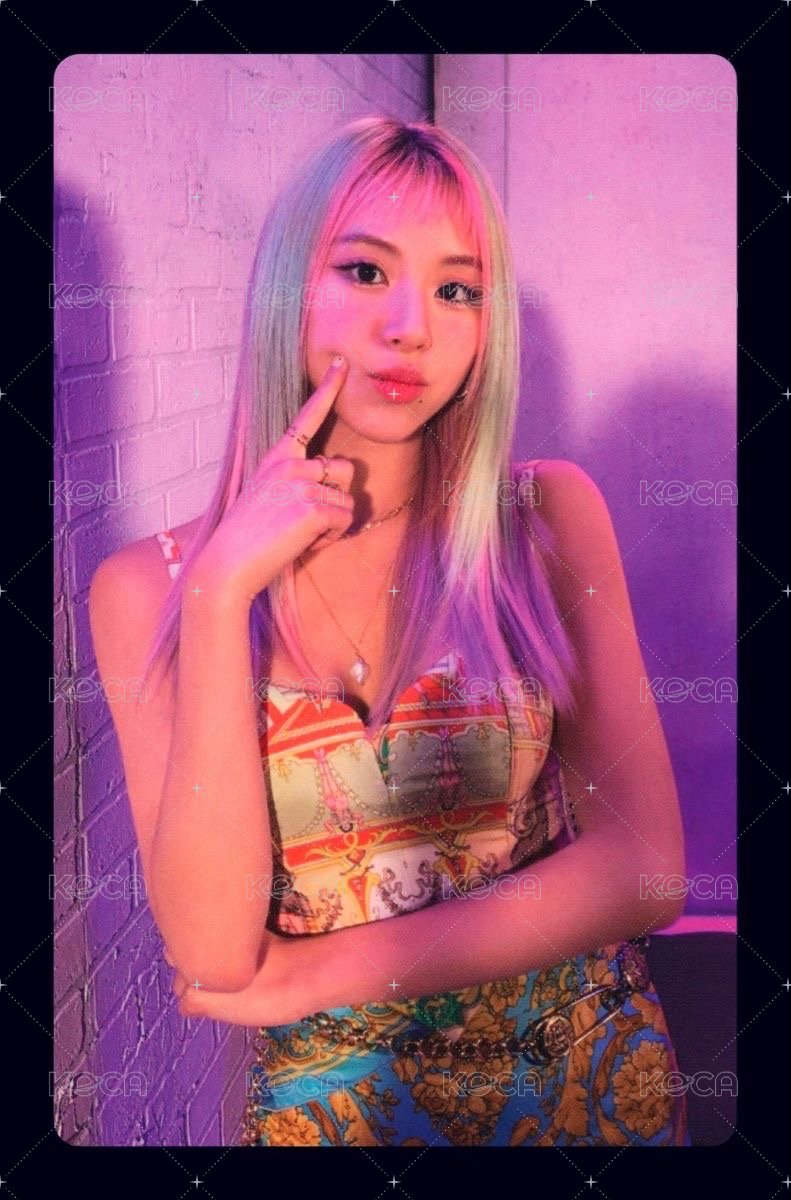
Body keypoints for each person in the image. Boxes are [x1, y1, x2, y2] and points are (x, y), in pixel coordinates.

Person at [89, 116, 690, 1147]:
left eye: (457, 290)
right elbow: (216, 955)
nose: (410, 326)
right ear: (288, 288)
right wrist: (222, 590)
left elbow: (647, 867)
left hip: (583, 1087)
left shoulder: (542, 520)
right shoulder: (151, 588)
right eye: (365, 271)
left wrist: (317, 973)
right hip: (340, 1124)